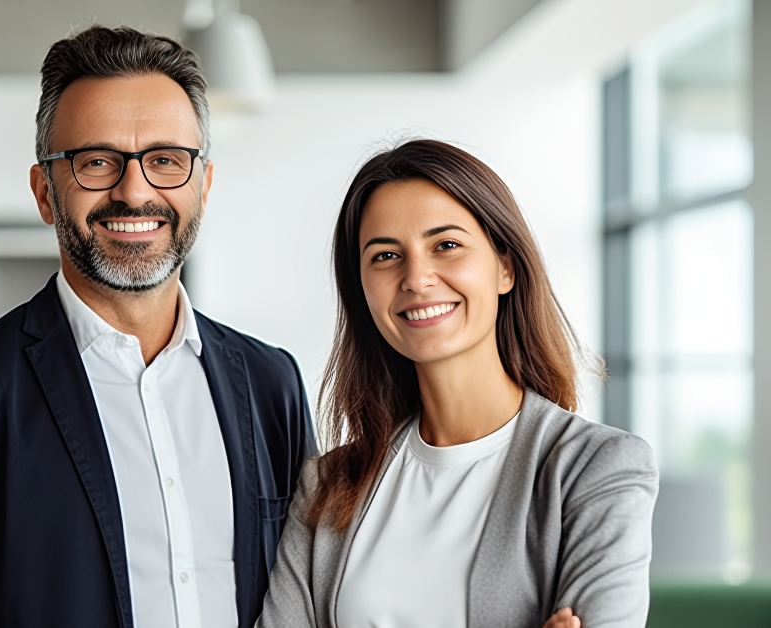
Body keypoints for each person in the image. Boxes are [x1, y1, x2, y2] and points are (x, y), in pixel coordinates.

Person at [0, 25, 314, 628]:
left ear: (203, 184)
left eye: (165, 161)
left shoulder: (271, 383)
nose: (134, 192)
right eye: (96, 162)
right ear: (45, 192)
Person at [256, 140, 658, 628]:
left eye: (445, 245)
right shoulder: (328, 484)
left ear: (505, 267)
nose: (417, 278)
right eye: (386, 255)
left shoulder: (596, 469)